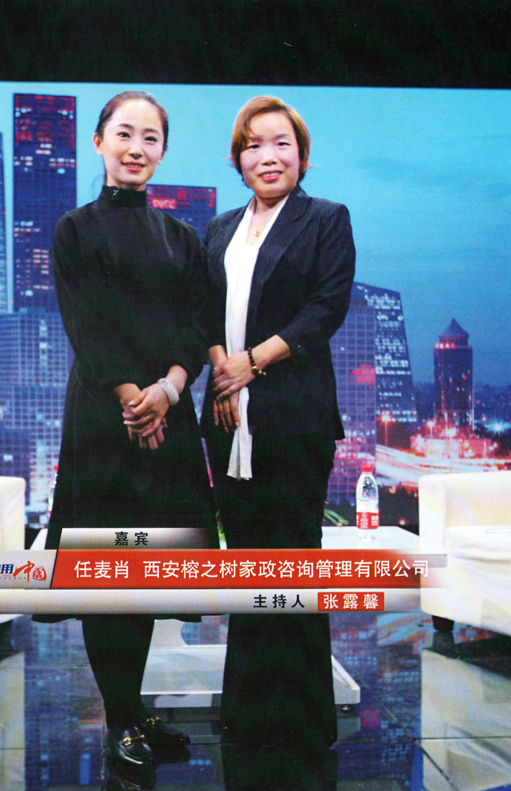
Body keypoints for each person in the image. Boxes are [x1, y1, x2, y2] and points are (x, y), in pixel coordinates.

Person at [45, 90, 216, 769]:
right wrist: (130, 398)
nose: (136, 147)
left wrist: (168, 390)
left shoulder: (182, 238)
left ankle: (136, 714)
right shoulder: (74, 230)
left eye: (150, 137)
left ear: (163, 151)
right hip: (102, 416)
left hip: (168, 416)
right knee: (107, 570)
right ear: (99, 142)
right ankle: (120, 720)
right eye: (124, 133)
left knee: (147, 569)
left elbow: (197, 324)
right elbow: (85, 324)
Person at [202, 96, 355, 749]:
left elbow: (326, 308)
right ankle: (246, 716)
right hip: (226, 416)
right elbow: (201, 309)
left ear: (302, 155)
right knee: (246, 566)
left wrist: (251, 364)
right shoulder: (218, 229)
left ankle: (304, 721)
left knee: (292, 563)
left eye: (281, 143)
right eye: (254, 145)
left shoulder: (325, 219)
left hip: (294, 418)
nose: (268, 156)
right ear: (238, 159)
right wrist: (221, 369)